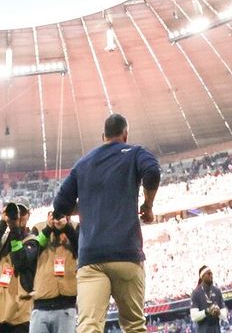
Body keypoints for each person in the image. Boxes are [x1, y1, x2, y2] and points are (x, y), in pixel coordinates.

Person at [51, 115, 159, 333]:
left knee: (89, 326)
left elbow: (60, 204)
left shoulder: (83, 163)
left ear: (103, 137)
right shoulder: (135, 153)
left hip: (91, 257)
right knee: (134, 326)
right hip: (126, 252)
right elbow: (152, 173)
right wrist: (147, 206)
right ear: (125, 134)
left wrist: (87, 206)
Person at [12, 214, 77, 333]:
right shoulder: (39, 228)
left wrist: (67, 228)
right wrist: (48, 229)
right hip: (41, 304)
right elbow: (28, 258)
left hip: (68, 305)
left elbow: (81, 249)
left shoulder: (76, 227)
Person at [0, 202, 32, 331]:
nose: (18, 217)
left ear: (28, 215)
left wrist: (15, 229)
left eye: (22, 213)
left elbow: (20, 261)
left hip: (18, 313)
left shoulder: (32, 240)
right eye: (14, 213)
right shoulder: (2, 239)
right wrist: (2, 223)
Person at [186, 267, 223, 332]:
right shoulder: (196, 293)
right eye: (208, 274)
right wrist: (207, 311)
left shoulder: (217, 291)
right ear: (202, 277)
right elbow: (194, 317)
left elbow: (224, 315)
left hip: (216, 329)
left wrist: (218, 312)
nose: (211, 276)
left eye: (211, 274)